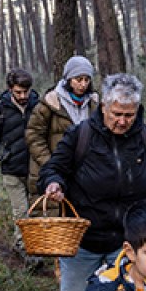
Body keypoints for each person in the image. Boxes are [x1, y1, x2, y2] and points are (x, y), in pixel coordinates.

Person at [38, 73, 146, 291]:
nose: (122, 121)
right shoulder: (80, 135)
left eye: (129, 115)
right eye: (116, 114)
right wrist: (54, 184)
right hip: (83, 241)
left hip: (128, 241)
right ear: (104, 106)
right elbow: (53, 169)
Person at [0, 68, 42, 270]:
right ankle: (24, 249)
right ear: (10, 90)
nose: (23, 96)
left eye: (26, 92)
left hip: (36, 169)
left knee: (36, 212)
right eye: (18, 92)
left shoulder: (39, 105)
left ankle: (37, 247)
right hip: (12, 170)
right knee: (21, 211)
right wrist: (2, 154)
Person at [25, 55, 98, 196]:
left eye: (87, 80)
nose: (83, 84)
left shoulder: (94, 105)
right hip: (52, 172)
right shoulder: (50, 103)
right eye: (78, 79)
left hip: (84, 173)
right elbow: (33, 135)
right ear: (69, 79)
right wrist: (50, 164)